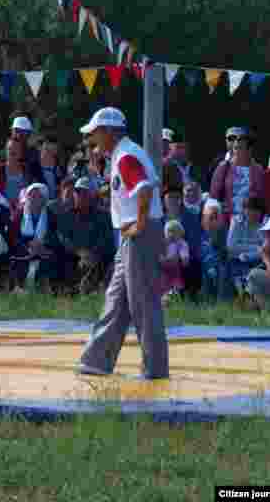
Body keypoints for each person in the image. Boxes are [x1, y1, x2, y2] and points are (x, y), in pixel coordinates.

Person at [77, 107, 168, 381]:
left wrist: (140, 223)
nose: (93, 139)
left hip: (139, 233)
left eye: (95, 133)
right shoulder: (123, 154)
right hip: (132, 234)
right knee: (117, 298)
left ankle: (155, 368)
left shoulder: (126, 155)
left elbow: (144, 189)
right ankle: (96, 360)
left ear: (109, 131)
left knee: (143, 302)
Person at [159, 220, 189, 300]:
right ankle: (165, 298)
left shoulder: (181, 243)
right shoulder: (163, 243)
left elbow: (184, 256)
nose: (171, 234)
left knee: (175, 283)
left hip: (175, 267)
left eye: (174, 231)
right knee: (163, 283)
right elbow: (158, 253)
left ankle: (174, 296)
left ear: (180, 233)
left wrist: (184, 258)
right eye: (169, 231)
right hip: (163, 268)